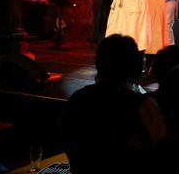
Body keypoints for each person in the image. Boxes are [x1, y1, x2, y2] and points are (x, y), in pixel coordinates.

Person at [60, 34, 164, 174]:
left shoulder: (77, 99)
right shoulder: (144, 106)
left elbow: (67, 140)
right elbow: (159, 150)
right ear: (134, 66)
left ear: (99, 64)